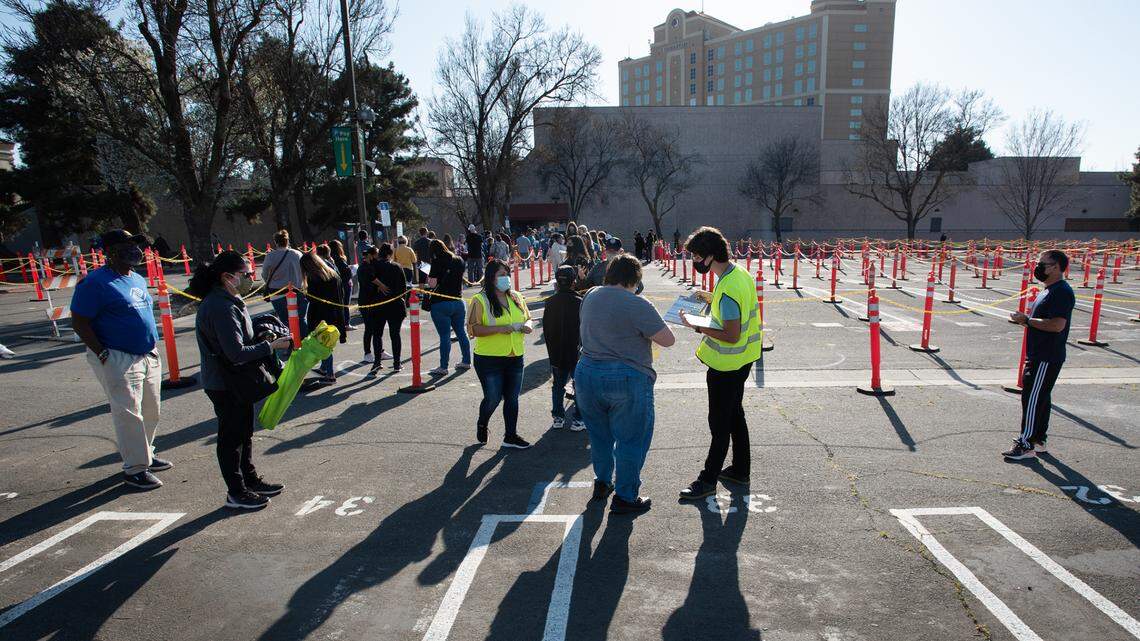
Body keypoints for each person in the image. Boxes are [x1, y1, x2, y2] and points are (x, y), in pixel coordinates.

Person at [191, 250, 291, 510]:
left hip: (234, 380)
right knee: (231, 438)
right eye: (245, 274)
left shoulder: (229, 300)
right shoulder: (220, 306)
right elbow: (235, 353)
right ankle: (236, 491)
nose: (250, 278)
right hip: (225, 382)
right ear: (227, 277)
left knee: (244, 433)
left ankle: (249, 480)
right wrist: (271, 346)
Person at [576, 255, 675, 514]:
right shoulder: (638, 304)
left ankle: (602, 482)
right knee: (631, 439)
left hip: (587, 373)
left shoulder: (592, 295)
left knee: (599, 436)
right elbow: (667, 340)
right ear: (635, 280)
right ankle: (626, 495)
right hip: (626, 376)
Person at [70, 229, 168, 491]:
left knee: (151, 410)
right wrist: (102, 352)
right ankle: (135, 468)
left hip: (147, 353)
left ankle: (145, 453)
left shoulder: (135, 277)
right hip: (117, 355)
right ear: (111, 251)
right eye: (128, 245)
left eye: (136, 245)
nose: (135, 250)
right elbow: (79, 320)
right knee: (129, 413)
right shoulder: (95, 283)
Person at [677, 226, 764, 501]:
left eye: (696, 257)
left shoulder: (727, 287)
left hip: (726, 366)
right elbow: (734, 312)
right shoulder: (738, 274)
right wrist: (710, 300)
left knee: (719, 424)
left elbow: (730, 333)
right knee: (735, 415)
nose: (694, 262)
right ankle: (740, 469)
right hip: (744, 359)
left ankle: (707, 480)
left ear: (710, 256)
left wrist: (696, 326)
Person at [1003, 250, 1076, 460]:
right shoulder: (1049, 290)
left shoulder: (1060, 291)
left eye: (1043, 263)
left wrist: (1027, 320)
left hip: (1046, 356)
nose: (1038, 266)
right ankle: (1039, 440)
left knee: (1032, 398)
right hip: (1040, 354)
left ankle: (1026, 444)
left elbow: (1057, 325)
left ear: (1055, 266)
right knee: (1041, 398)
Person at [466, 259, 533, 449]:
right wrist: (500, 329)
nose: (506, 278)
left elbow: (528, 318)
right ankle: (482, 422)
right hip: (489, 359)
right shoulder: (480, 300)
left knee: (512, 398)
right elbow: (473, 329)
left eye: (507, 274)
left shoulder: (517, 297)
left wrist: (527, 326)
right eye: (501, 275)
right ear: (491, 278)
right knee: (493, 397)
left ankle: (510, 436)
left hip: (515, 356)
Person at [544, 265, 585, 432]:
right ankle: (578, 418)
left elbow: (547, 328)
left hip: (556, 350)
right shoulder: (580, 302)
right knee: (579, 385)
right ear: (573, 281)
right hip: (576, 351)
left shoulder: (550, 302)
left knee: (558, 385)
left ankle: (558, 417)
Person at [426, 239, 472, 376]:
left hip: (441, 303)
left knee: (444, 336)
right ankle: (466, 361)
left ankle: (443, 366)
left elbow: (433, 284)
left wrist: (429, 278)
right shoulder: (458, 260)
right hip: (458, 300)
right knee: (461, 332)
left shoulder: (436, 261)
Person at [300, 249, 346, 384]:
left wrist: (305, 293)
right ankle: (324, 368)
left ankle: (330, 374)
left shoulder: (315, 279)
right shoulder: (333, 274)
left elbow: (312, 298)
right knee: (327, 343)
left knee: (323, 345)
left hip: (319, 314)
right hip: (334, 313)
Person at [359, 244, 407, 373]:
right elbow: (403, 288)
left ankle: (377, 362)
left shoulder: (373, 267)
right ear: (391, 254)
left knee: (377, 334)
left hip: (378, 305)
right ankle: (397, 363)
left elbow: (367, 284)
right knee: (395, 334)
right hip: (395, 304)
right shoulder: (397, 267)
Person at [262, 229, 307, 342]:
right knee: (300, 319)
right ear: (288, 241)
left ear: (276, 242)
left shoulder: (270, 256)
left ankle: (290, 344)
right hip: (298, 291)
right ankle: (305, 342)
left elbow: (264, 274)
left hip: (278, 293)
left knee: (285, 322)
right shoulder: (297, 254)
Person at [325, 241, 355, 331]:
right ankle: (346, 324)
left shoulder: (329, 259)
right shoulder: (340, 259)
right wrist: (350, 269)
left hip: (334, 285)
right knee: (345, 304)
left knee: (337, 304)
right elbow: (347, 273)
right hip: (344, 284)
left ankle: (338, 323)